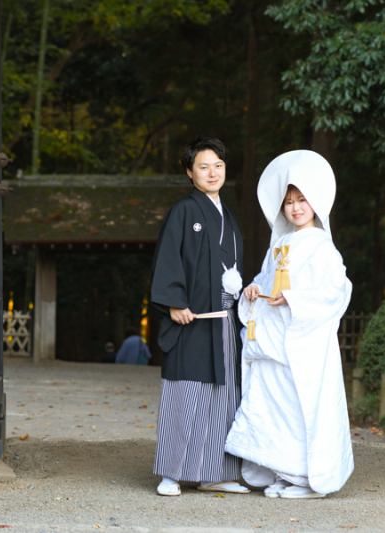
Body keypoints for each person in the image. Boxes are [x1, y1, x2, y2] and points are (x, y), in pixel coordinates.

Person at [224, 150, 353, 499]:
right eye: (289, 202)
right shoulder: (279, 244)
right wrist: (253, 291)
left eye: (302, 200)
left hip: (303, 345)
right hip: (274, 342)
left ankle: (307, 479)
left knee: (300, 408)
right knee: (274, 407)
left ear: (315, 202)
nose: (295, 208)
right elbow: (267, 282)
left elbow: (335, 291)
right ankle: (286, 472)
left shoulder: (324, 248)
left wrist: (295, 299)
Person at [149, 136, 246, 497]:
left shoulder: (229, 217)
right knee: (185, 392)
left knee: (223, 395)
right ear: (190, 172)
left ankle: (214, 472)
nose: (212, 172)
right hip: (192, 316)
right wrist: (174, 302)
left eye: (218, 165)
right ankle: (172, 473)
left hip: (224, 318)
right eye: (203, 166)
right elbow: (168, 257)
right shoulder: (184, 211)